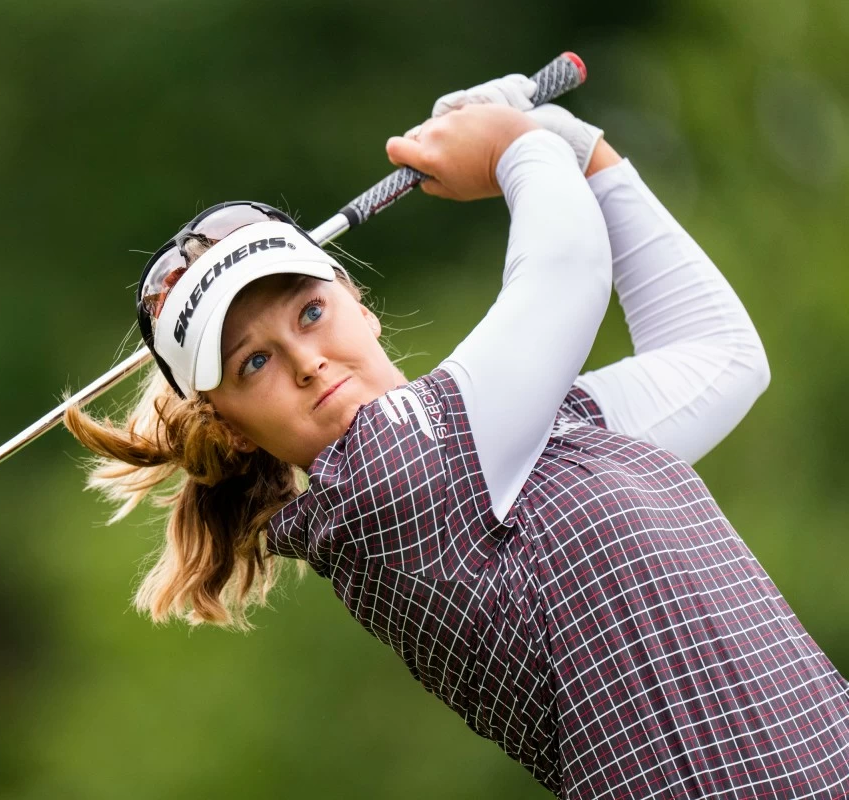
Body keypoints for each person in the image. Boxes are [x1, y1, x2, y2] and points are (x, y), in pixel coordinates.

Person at [64, 76, 849, 798]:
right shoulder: (384, 483)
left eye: (309, 312)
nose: (306, 361)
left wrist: (580, 150)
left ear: (357, 303)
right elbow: (566, 266)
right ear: (232, 430)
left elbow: (721, 359)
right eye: (254, 361)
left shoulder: (523, 439)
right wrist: (516, 146)